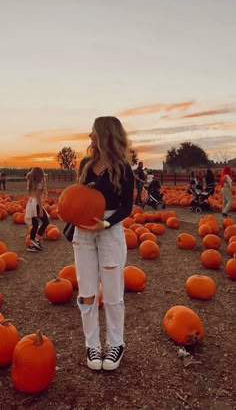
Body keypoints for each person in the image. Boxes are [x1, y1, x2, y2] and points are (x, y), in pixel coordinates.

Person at [72, 116, 134, 371]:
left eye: (94, 131)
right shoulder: (86, 164)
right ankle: (92, 345)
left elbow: (127, 208)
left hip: (110, 231)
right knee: (87, 293)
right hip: (83, 233)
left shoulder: (123, 167)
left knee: (112, 294)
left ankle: (115, 344)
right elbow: (78, 196)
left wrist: (105, 224)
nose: (90, 136)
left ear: (106, 134)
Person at [24, 167, 50, 252]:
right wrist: (41, 209)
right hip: (36, 204)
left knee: (35, 224)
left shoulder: (30, 182)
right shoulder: (39, 183)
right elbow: (38, 196)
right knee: (45, 221)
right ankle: (36, 240)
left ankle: (33, 243)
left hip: (30, 204)